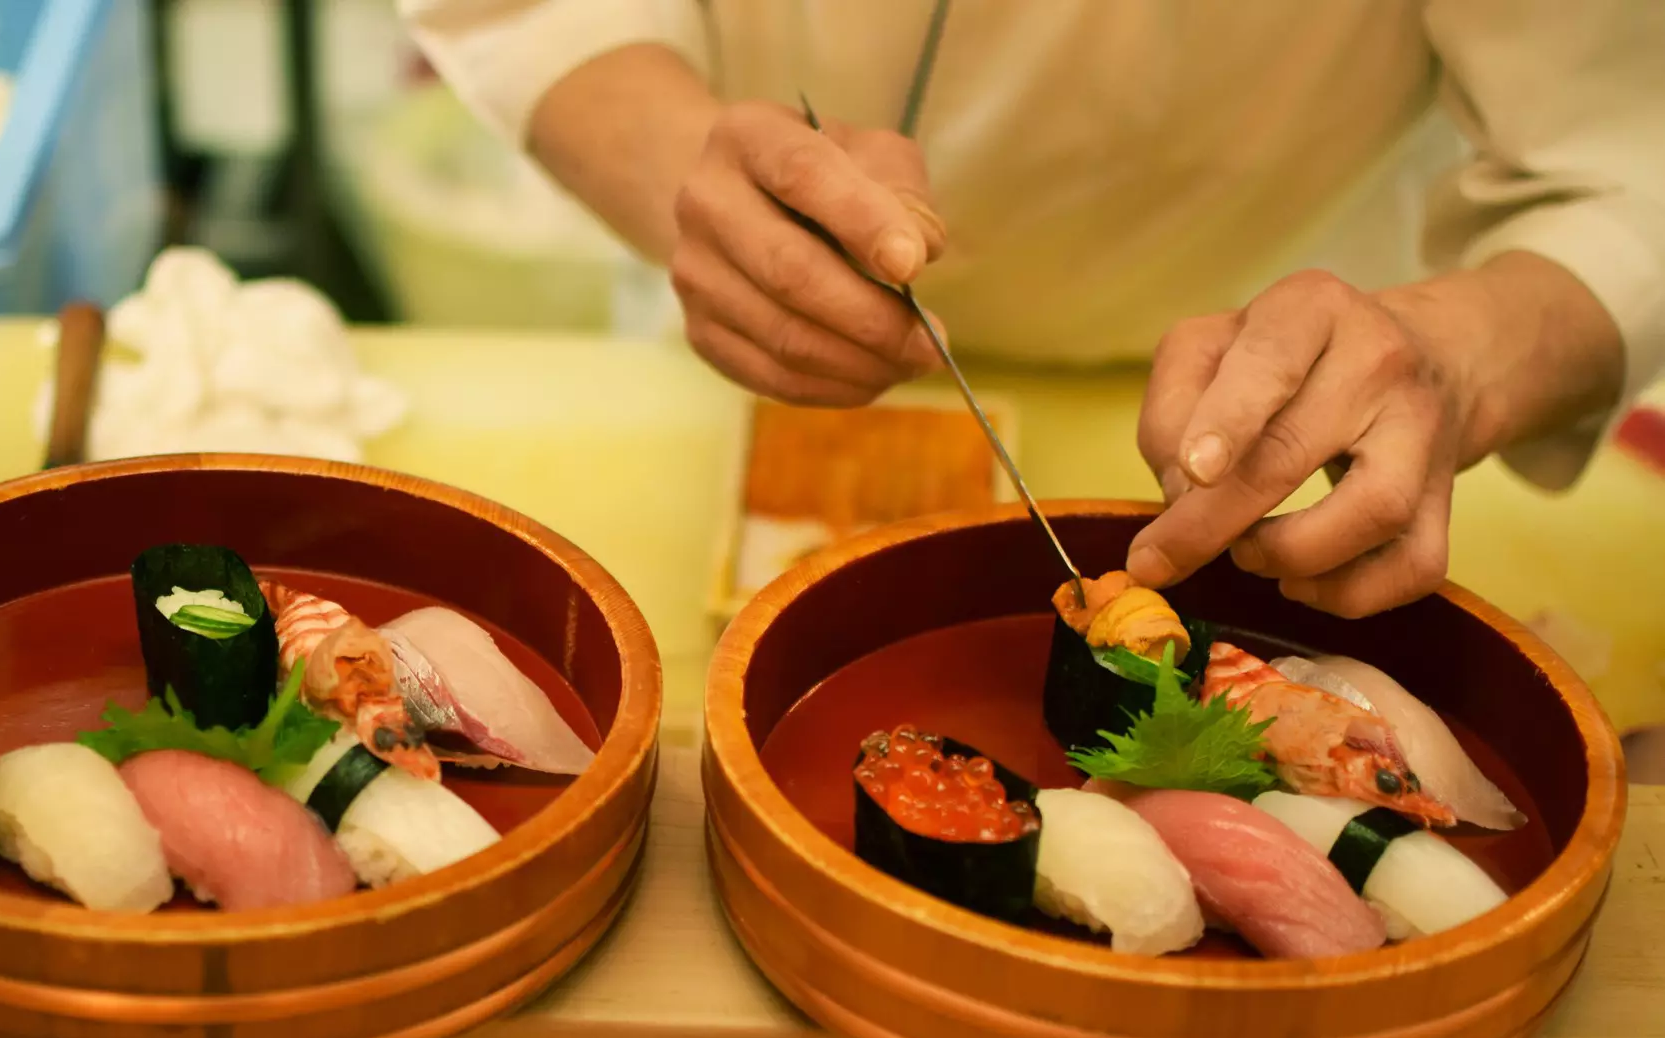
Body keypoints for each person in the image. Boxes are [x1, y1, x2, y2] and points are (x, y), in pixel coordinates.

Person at [397, 1, 1665, 616]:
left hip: (1300, 389)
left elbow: (1632, 154)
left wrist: (1455, 350)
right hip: (729, 348)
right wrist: (692, 178)